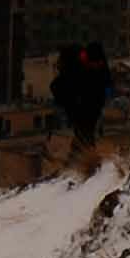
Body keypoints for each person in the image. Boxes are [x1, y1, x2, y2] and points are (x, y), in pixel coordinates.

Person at [51, 41, 115, 170]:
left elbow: (107, 81)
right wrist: (72, 104)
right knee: (83, 131)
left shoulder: (99, 64)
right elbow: (58, 87)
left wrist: (106, 95)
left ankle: (83, 160)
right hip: (75, 102)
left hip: (91, 100)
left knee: (86, 132)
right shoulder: (73, 67)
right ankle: (81, 162)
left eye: (99, 64)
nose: (98, 66)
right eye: (95, 64)